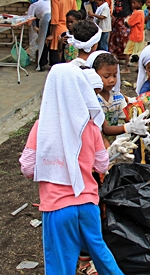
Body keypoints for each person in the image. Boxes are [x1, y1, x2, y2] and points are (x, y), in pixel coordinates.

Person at [18, 63, 124, 275]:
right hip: (88, 204)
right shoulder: (91, 127)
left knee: (60, 263)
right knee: (101, 254)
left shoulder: (42, 126)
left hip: (57, 208)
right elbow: (102, 164)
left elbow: (28, 167)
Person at [46, 0, 77, 66]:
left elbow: (55, 18)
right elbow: (75, 13)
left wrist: (51, 34)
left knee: (57, 53)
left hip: (58, 28)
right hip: (70, 29)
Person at [122, 0, 146, 73]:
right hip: (140, 36)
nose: (132, 4)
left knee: (127, 52)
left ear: (140, 4)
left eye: (134, 3)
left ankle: (126, 68)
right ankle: (139, 68)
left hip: (134, 36)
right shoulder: (142, 12)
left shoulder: (137, 13)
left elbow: (129, 23)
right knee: (138, 53)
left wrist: (126, 21)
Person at [27, 0, 51, 71]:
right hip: (54, 19)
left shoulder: (33, 5)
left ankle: (41, 64)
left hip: (45, 20)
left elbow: (29, 23)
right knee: (50, 41)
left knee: (42, 43)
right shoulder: (48, 1)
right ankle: (52, 62)